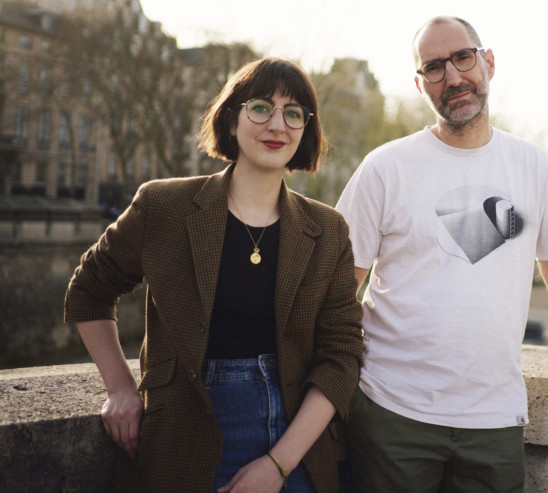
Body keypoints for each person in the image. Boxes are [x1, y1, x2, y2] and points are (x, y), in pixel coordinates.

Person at [335, 16, 548, 492]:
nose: (453, 77)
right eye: (434, 68)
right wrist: (333, 388)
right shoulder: (385, 169)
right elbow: (336, 293)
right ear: (420, 85)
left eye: (463, 58)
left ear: (489, 62)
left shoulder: (535, 167)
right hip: (392, 417)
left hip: (494, 420)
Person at [64, 57, 363, 493]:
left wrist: (279, 465)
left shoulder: (328, 229)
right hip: (184, 431)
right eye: (261, 107)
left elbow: (342, 356)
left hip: (296, 443)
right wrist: (120, 388)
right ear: (231, 117)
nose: (277, 124)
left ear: (306, 131)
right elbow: (89, 290)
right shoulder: (164, 206)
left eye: (293, 113)